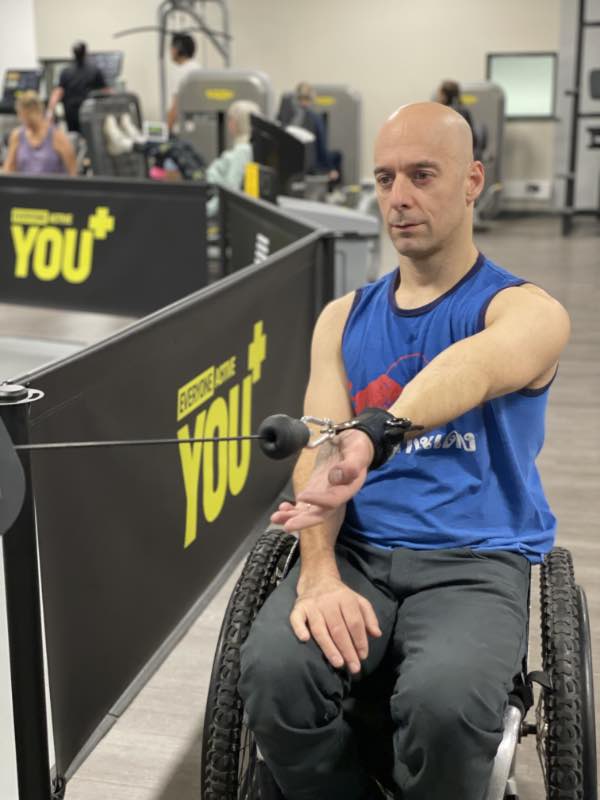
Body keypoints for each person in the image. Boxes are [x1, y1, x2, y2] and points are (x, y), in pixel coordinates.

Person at [238, 102, 570, 800]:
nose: (399, 198)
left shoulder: (526, 310)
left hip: (475, 560)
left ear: (473, 179)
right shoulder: (343, 318)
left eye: (422, 175)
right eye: (386, 178)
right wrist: (320, 572)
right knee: (271, 676)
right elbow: (317, 458)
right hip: (358, 552)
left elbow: (476, 367)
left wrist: (377, 430)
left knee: (446, 706)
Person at [205, 99, 260, 215]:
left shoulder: (242, 151)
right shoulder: (249, 147)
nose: (228, 123)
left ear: (239, 122)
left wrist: (204, 211)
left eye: (231, 119)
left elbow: (230, 191)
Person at [2, 91, 76, 176]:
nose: (20, 118)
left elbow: (73, 174)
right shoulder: (17, 136)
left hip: (52, 188)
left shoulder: (58, 137)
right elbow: (8, 169)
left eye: (22, 114)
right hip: (24, 187)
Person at [278, 82, 340, 181]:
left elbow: (321, 147)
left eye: (306, 99)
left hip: (300, 168)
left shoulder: (285, 118)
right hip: (301, 167)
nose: (303, 103)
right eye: (301, 99)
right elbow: (321, 146)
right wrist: (331, 168)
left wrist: (330, 168)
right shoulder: (313, 118)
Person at [47, 42, 108, 133]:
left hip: (71, 114)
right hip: (88, 114)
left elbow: (58, 92)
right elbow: (105, 91)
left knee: (74, 137)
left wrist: (50, 111)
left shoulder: (66, 71)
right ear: (85, 52)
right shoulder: (94, 70)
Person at [167, 33, 201, 131]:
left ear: (177, 49)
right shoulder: (198, 68)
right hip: (198, 126)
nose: (170, 51)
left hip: (183, 128)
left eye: (172, 48)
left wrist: (168, 129)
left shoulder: (180, 72)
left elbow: (176, 105)